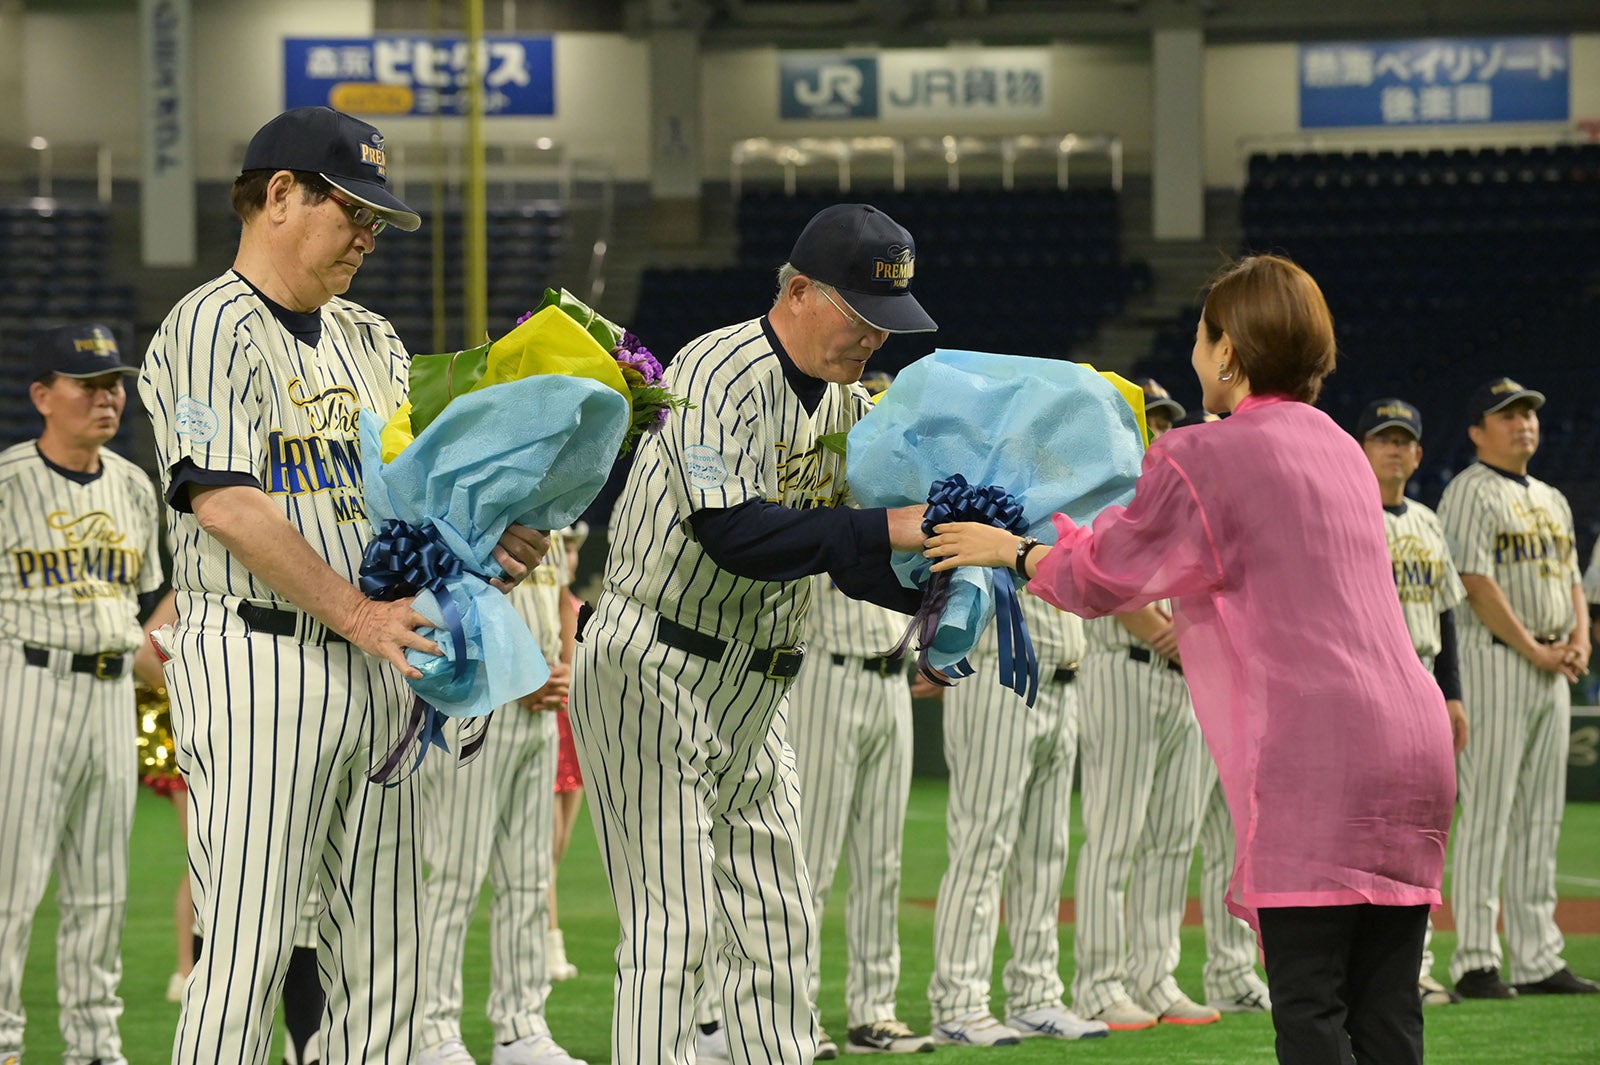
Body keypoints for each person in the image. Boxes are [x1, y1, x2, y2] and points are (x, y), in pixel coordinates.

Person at [925, 254, 1456, 1065]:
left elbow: (1104, 576)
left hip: (1321, 751)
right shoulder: (1345, 450)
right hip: (1412, 744)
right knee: (1385, 1014)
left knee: (1312, 1006)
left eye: (1204, 337)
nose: (1196, 354)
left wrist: (1016, 550)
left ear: (1231, 353)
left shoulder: (1206, 453)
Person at [137, 105, 547, 1065]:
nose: (368, 233)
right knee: (246, 947)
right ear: (278, 195)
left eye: (376, 217)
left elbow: (412, 502)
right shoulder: (206, 325)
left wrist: (485, 542)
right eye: (351, 208)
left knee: (384, 956)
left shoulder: (370, 336)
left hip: (379, 659)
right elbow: (228, 506)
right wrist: (360, 611)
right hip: (257, 660)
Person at [569, 202, 934, 1065]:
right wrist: (891, 532)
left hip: (758, 684)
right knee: (677, 922)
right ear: (800, 290)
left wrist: (937, 591)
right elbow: (733, 531)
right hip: (652, 662)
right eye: (861, 313)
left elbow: (843, 553)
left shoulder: (845, 402)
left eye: (890, 320)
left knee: (781, 917)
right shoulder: (718, 365)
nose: (876, 337)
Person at [0, 324, 162, 1065]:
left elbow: (156, 596)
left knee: (102, 888)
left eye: (114, 384)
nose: (107, 397)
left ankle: (94, 1044)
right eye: (88, 384)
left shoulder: (133, 485)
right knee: (11, 885)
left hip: (109, 693)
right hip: (26, 686)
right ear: (42, 396)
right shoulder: (6, 482)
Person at [1435, 378, 1597, 999]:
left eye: (1529, 412)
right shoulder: (1468, 491)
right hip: (1496, 662)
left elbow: (1575, 582)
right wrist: (1536, 648)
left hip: (1552, 666)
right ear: (1477, 430)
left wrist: (1578, 640)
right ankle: (1477, 959)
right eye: (1507, 415)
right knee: (1489, 813)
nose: (1523, 422)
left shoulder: (1553, 498)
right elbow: (1473, 581)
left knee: (1541, 816)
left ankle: (1538, 956)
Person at [1069, 378, 1218, 1031]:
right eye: (1147, 418)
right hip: (1123, 668)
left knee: (1173, 834)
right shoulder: (1099, 487)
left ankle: (1153, 975)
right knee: (1117, 832)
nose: (1158, 430)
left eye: (1163, 420)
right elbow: (1096, 568)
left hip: (1186, 675)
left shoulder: (1179, 497)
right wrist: (1153, 626)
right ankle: (1099, 983)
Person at [416, 533, 584, 1065]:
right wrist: (523, 670)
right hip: (476, 701)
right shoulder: (476, 490)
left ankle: (521, 1027)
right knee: (453, 876)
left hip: (538, 707)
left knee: (530, 877)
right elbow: (453, 599)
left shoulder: (556, 507)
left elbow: (561, 595)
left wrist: (563, 668)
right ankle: (430, 1032)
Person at [926, 590, 1110, 1046]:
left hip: (1064, 679)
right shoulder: (991, 514)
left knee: (1046, 850)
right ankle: (958, 1003)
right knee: (982, 847)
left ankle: (1036, 995)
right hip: (998, 673)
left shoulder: (1064, 512)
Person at [1354, 397, 1472, 1007]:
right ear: (1363, 449)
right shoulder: (1348, 515)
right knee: (1368, 832)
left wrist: (1452, 691)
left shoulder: (1427, 521)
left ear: (1419, 454)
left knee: (1419, 836)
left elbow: (1447, 612)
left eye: (1404, 440)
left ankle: (1414, 970)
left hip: (1425, 682)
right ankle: (1377, 972)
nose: (1395, 448)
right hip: (1370, 685)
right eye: (1383, 439)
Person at [788, 574, 931, 1055]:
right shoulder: (815, 498)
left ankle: (875, 1012)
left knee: (882, 862)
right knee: (811, 859)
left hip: (894, 683)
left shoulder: (902, 503)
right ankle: (795, 1012)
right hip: (829, 677)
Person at [547, 527, 586, 985]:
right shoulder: (553, 602)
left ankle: (547, 936)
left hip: (570, 730)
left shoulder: (579, 609)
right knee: (545, 841)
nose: (570, 557)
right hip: (549, 719)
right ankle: (549, 940)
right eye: (567, 547)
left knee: (558, 846)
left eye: (574, 549)